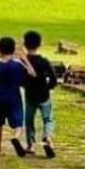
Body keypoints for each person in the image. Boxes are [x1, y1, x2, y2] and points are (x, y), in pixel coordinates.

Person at [0, 36, 35, 157]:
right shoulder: (18, 65)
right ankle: (16, 137)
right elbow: (32, 74)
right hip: (14, 97)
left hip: (0, 98)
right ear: (13, 50)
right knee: (18, 124)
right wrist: (25, 59)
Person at [22, 30, 57, 158]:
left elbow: (21, 79)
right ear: (40, 44)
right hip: (44, 96)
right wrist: (48, 87)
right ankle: (47, 136)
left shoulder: (23, 62)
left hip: (30, 95)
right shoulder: (44, 62)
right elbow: (53, 79)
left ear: (25, 44)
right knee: (48, 119)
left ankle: (30, 145)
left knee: (29, 120)